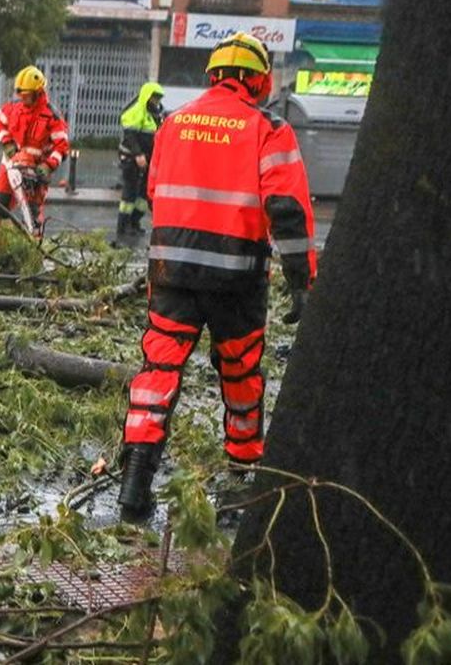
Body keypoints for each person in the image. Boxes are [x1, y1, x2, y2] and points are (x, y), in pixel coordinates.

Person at [117, 32, 316, 522]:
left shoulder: (173, 124)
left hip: (171, 276)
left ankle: (134, 487)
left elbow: (156, 189)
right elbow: (287, 212)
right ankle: (238, 489)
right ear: (257, 79)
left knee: (157, 374)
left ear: (213, 75)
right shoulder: (267, 129)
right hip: (237, 280)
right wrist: (301, 283)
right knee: (242, 379)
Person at [0, 65, 70, 237]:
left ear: (37, 92)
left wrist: (48, 166)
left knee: (32, 215)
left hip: (35, 169)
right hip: (10, 164)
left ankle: (34, 250)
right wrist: (7, 142)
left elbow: (61, 146)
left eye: (26, 95)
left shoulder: (51, 116)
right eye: (20, 94)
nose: (22, 98)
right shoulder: (14, 108)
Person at [116, 81, 166, 242]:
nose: (156, 102)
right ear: (147, 96)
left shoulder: (157, 114)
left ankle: (134, 222)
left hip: (148, 158)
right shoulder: (136, 111)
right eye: (154, 98)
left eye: (158, 98)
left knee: (144, 193)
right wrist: (138, 155)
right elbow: (130, 136)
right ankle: (123, 226)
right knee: (130, 192)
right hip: (131, 157)